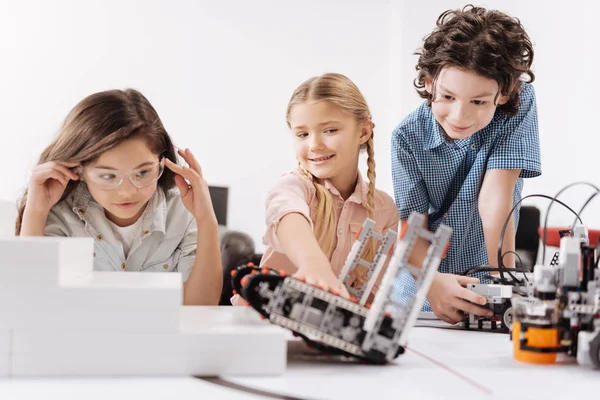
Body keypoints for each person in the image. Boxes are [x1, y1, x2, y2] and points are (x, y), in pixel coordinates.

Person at [391, 5, 541, 323]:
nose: (460, 116)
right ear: (429, 82)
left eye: (478, 102)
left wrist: (505, 285)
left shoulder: (519, 106)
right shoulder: (406, 137)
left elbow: (496, 197)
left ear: (505, 92)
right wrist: (431, 283)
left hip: (485, 290)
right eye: (447, 97)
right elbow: (413, 227)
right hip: (422, 297)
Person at [16, 89, 222, 305]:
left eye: (143, 173)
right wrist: (36, 210)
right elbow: (31, 302)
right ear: (80, 170)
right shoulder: (61, 212)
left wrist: (207, 220)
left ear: (161, 161)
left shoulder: (182, 210)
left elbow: (200, 309)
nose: (127, 192)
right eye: (108, 176)